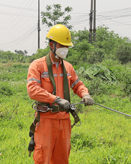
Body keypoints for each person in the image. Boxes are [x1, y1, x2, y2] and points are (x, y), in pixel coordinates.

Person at [27, 24, 94, 164]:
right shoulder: (37, 65)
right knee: (43, 158)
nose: (65, 49)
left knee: (62, 158)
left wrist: (85, 95)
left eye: (67, 46)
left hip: (64, 120)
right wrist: (55, 99)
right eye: (62, 45)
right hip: (45, 119)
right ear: (52, 45)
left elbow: (78, 85)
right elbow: (32, 89)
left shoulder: (68, 67)